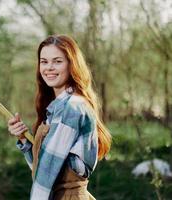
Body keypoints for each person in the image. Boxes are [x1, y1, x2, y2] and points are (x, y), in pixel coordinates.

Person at [8, 35, 111, 200]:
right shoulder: (59, 107)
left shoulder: (71, 108)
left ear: (72, 65)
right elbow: (42, 167)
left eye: (57, 61)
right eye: (44, 61)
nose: (49, 67)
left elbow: (46, 175)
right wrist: (24, 139)